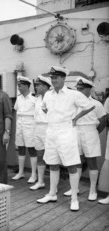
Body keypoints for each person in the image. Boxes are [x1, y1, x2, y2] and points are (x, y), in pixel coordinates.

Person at [37, 66, 95, 211]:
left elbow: (90, 106)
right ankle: (52, 193)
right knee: (52, 163)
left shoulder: (72, 94)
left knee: (71, 165)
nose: (54, 80)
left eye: (56, 77)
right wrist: (52, 116)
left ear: (63, 78)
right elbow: (44, 108)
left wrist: (76, 118)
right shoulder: (49, 94)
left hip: (66, 131)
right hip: (51, 131)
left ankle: (74, 198)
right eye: (52, 77)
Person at [63, 76, 106, 201]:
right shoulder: (74, 103)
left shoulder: (96, 104)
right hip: (76, 131)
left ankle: (93, 190)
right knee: (76, 161)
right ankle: (75, 188)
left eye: (81, 89)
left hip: (90, 131)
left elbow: (102, 121)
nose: (78, 91)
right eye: (78, 89)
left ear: (88, 89)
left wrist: (94, 133)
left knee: (92, 161)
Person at [12, 76, 37, 183]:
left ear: (27, 86)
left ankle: (34, 174)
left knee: (31, 149)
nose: (19, 88)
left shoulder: (35, 98)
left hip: (30, 125)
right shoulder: (19, 98)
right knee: (21, 148)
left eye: (20, 86)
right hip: (20, 125)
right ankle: (21, 172)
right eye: (18, 86)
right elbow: (17, 111)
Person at [30, 75, 51, 190]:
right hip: (38, 128)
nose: (36, 87)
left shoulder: (52, 98)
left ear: (45, 86)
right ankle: (41, 181)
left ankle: (54, 185)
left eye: (38, 85)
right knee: (39, 155)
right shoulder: (37, 99)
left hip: (48, 128)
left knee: (52, 157)